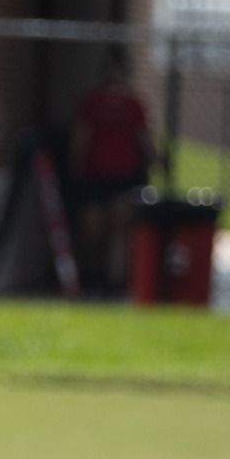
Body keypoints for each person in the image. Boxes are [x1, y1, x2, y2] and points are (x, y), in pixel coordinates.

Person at [70, 48, 155, 295]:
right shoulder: (91, 101)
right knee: (92, 228)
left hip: (124, 174)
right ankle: (91, 272)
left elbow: (144, 138)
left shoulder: (133, 104)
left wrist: (157, 159)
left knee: (119, 224)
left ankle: (114, 278)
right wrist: (75, 164)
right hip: (95, 173)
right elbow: (81, 136)